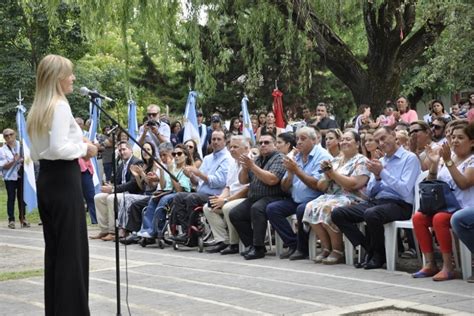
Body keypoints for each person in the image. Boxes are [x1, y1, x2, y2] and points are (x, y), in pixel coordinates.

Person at [27, 54, 98, 315]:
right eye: (70, 73)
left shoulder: (38, 109)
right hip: (65, 179)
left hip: (47, 179)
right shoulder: (59, 105)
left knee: (56, 251)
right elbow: (59, 147)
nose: (73, 78)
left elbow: (37, 152)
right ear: (58, 77)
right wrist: (85, 148)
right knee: (73, 252)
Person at [332, 126, 421, 269]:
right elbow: (370, 193)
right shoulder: (381, 161)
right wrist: (378, 178)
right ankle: (369, 248)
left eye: (383, 138)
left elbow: (405, 190)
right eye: (378, 140)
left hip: (400, 204)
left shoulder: (409, 158)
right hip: (377, 202)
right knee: (338, 213)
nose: (381, 143)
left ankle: (378, 256)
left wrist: (383, 173)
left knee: (371, 214)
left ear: (394, 135)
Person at [412, 121, 474, 281]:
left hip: (464, 207)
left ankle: (448, 267)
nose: (455, 141)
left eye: (460, 137)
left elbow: (464, 183)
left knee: (440, 219)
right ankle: (430, 264)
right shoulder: (449, 158)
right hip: (445, 206)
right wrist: (433, 164)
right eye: (453, 137)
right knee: (418, 218)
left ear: (472, 141)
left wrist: (448, 162)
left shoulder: (471, 160)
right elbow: (432, 181)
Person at [303, 130, 370, 264]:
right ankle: (326, 247)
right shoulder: (335, 160)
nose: (344, 142)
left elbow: (354, 184)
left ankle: (337, 250)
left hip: (352, 197)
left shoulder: (361, 160)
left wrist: (332, 174)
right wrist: (327, 176)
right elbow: (321, 186)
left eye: (348, 139)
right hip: (331, 195)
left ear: (357, 143)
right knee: (310, 206)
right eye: (343, 139)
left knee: (328, 208)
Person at [267, 127, 331, 260]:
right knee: (273, 209)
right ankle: (293, 243)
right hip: (295, 198)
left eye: (303, 139)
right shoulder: (297, 156)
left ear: (314, 140)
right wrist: (290, 173)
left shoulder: (323, 156)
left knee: (303, 209)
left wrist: (296, 170)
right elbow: (284, 187)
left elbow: (316, 185)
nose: (299, 142)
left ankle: (303, 249)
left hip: (316, 198)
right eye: (297, 139)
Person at [229, 133, 287, 260]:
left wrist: (252, 167)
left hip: (274, 196)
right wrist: (245, 168)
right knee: (235, 213)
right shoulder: (258, 159)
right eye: (260, 143)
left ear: (275, 145)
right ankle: (251, 245)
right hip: (255, 196)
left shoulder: (279, 158)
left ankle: (259, 247)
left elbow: (272, 180)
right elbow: (243, 181)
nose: (263, 145)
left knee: (257, 208)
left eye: (267, 143)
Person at [170, 130, 231, 241]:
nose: (215, 142)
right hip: (201, 192)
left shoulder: (227, 158)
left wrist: (198, 173)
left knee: (191, 197)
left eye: (219, 139)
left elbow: (219, 181)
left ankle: (193, 234)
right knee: (178, 196)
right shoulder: (208, 158)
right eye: (213, 139)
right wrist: (191, 176)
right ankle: (186, 231)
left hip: (216, 195)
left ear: (225, 141)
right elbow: (197, 181)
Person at [203, 135, 250, 254]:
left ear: (245, 148)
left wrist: (225, 201)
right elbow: (228, 186)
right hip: (232, 197)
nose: (232, 149)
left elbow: (247, 189)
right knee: (208, 206)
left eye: (236, 147)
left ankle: (234, 243)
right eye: (231, 147)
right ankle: (222, 240)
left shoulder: (250, 161)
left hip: (245, 198)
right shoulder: (232, 162)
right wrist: (220, 198)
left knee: (228, 207)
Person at [91, 141, 142, 241]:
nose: (122, 152)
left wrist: (113, 189)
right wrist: (109, 185)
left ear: (130, 150)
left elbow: (133, 184)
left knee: (111, 198)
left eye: (124, 149)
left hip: (131, 193)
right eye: (120, 150)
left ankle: (113, 231)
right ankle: (104, 230)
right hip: (120, 192)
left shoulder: (137, 162)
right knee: (98, 197)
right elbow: (116, 181)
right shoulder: (121, 164)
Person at [0, 128, 28, 228]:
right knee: (11, 198)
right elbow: (4, 166)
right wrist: (14, 161)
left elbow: (29, 160)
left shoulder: (22, 146)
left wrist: (25, 160)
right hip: (10, 177)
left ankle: (23, 218)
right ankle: (11, 220)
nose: (9, 137)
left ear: (15, 134)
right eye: (6, 135)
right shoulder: (2, 150)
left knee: (22, 198)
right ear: (4, 138)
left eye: (11, 134)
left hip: (21, 176)